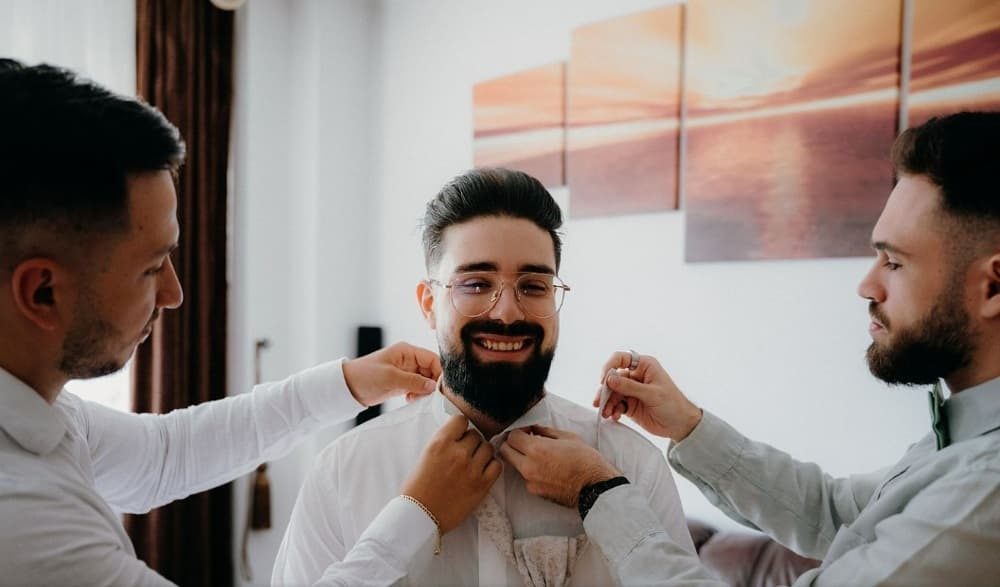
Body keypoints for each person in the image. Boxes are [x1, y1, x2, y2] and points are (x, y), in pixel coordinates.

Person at [0, 59, 486, 586]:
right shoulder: (24, 520)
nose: (174, 294)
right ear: (42, 291)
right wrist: (417, 515)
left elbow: (165, 455)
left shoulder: (39, 411)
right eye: (150, 268)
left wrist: (346, 383)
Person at [503, 111, 1000, 585]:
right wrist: (687, 424)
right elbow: (833, 511)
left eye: (894, 263)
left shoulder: (985, 488)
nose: (866, 286)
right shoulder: (956, 441)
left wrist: (600, 495)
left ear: (993, 288)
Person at [271, 168, 697, 586]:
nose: (508, 312)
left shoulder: (631, 467)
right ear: (428, 303)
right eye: (475, 284)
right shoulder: (344, 473)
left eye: (533, 286)